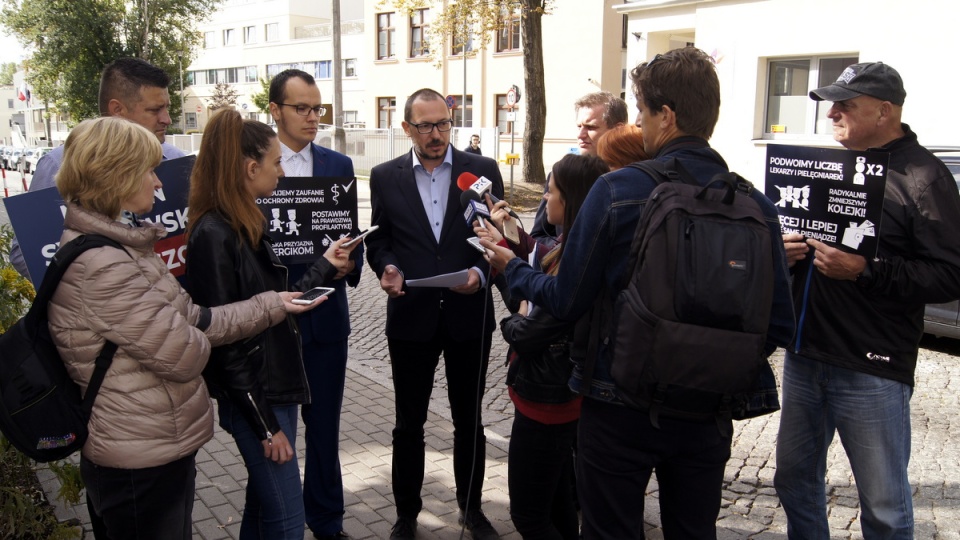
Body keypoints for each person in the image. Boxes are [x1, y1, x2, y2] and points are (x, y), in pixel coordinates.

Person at [480, 47, 795, 539]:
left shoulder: (618, 190)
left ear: (665, 116)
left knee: (611, 530)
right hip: (708, 412)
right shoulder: (753, 201)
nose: (642, 126)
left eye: (644, 112)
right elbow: (776, 325)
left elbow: (565, 299)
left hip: (618, 402)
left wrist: (513, 268)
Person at [46, 116, 318, 540]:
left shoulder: (125, 248)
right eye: (147, 170)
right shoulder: (103, 265)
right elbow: (186, 351)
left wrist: (269, 305)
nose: (157, 183)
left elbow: (194, 317)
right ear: (117, 175)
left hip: (154, 443)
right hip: (137, 458)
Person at [774, 62, 960, 539]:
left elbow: (950, 275)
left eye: (844, 104)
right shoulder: (828, 166)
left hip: (870, 365)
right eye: (831, 103)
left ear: (884, 111)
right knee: (793, 481)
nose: (831, 112)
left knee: (883, 506)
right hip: (805, 352)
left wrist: (866, 270)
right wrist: (787, 251)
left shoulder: (925, 177)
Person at [184, 110, 355, 539]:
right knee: (286, 519)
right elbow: (224, 338)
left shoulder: (245, 223)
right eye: (277, 163)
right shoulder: (215, 233)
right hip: (257, 397)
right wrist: (265, 425)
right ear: (250, 168)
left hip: (272, 388)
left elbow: (276, 303)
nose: (283, 171)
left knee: (263, 509)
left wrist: (323, 267)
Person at [365, 88, 505, 540]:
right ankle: (406, 514)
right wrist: (386, 266)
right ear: (406, 128)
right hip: (411, 316)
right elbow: (379, 239)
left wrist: (482, 277)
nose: (436, 134)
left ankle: (472, 509)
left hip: (469, 316)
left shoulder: (481, 171)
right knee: (410, 424)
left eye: (443, 123)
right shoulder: (385, 177)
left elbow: (497, 240)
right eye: (425, 125)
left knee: (470, 421)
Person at [477, 153, 609, 539]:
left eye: (550, 192)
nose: (544, 199)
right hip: (557, 397)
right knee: (558, 502)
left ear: (570, 200)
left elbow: (525, 331)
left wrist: (512, 298)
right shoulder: (573, 242)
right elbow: (538, 256)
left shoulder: (576, 257)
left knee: (530, 516)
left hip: (547, 402)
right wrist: (507, 241)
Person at [267, 68, 362, 540]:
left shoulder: (338, 165)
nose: (312, 117)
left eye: (317, 108)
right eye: (301, 108)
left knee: (324, 430)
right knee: (274, 438)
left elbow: (351, 236)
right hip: (273, 324)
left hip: (327, 320)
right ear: (274, 111)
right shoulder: (256, 164)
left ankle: (327, 521)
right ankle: (275, 522)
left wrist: (348, 265)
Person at [10, 57, 185, 279]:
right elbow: (24, 254)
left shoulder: (175, 160)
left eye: (166, 108)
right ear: (117, 110)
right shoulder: (60, 166)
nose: (167, 119)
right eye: (155, 110)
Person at [530, 91, 627, 247]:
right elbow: (538, 235)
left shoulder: (630, 180)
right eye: (579, 126)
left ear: (618, 129)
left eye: (590, 127)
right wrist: (566, 250)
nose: (581, 135)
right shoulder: (561, 176)